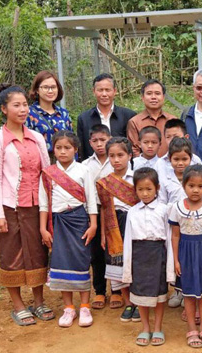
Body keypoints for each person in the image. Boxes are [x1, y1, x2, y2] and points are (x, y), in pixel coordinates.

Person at [0, 84, 53, 326]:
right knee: (12, 254)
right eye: (16, 105)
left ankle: (39, 301)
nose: (23, 109)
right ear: (4, 109)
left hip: (37, 206)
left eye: (25, 104)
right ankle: (18, 304)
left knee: (37, 252)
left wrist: (49, 205)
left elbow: (46, 172)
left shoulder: (37, 138)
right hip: (10, 207)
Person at [38, 131, 98, 328]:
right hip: (58, 222)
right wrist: (43, 229)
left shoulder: (83, 171)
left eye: (67, 148)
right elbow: (43, 203)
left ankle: (85, 306)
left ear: (76, 150)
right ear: (53, 149)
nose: (62, 152)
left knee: (81, 261)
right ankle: (68, 308)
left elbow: (91, 199)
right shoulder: (48, 173)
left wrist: (94, 224)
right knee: (61, 262)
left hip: (79, 220)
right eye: (58, 148)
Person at [169, 165, 202, 349]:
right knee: (189, 294)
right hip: (186, 254)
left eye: (200, 186)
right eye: (191, 185)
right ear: (184, 185)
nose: (195, 190)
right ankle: (192, 328)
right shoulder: (176, 208)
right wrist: (176, 260)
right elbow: (175, 235)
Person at [121, 168, 171, 346]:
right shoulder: (132, 212)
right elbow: (127, 240)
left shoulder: (164, 210)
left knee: (158, 296)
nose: (145, 193)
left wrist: (170, 266)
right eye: (140, 189)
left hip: (158, 255)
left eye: (149, 189)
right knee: (141, 295)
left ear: (157, 188)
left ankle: (157, 327)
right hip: (138, 256)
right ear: (135, 190)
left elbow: (169, 240)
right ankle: (145, 328)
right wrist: (128, 267)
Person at [96, 137, 140, 322]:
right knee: (117, 262)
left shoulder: (138, 178)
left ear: (129, 155)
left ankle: (139, 302)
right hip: (114, 225)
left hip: (135, 224)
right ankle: (128, 302)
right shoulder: (105, 182)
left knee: (136, 263)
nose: (116, 160)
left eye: (120, 155)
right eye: (112, 156)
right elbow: (104, 209)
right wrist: (104, 233)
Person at [81, 124, 115, 310]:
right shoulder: (86, 166)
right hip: (94, 212)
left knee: (115, 251)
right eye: (95, 141)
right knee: (97, 254)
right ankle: (100, 291)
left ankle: (117, 291)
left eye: (104, 140)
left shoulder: (118, 160)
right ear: (90, 143)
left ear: (110, 139)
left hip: (115, 213)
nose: (100, 144)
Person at [77, 74, 137, 160]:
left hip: (122, 167)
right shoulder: (84, 118)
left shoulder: (128, 116)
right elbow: (81, 149)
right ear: (94, 91)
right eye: (100, 90)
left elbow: (134, 146)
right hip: (93, 168)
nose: (104, 94)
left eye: (107, 90)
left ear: (114, 91)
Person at [26, 71, 73, 159]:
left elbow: (72, 141)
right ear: (37, 90)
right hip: (39, 163)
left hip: (63, 163)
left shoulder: (64, 113)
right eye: (45, 87)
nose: (50, 91)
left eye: (53, 87)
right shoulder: (29, 113)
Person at [127, 79, 176, 158]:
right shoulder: (134, 122)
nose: (153, 97)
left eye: (157, 93)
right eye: (149, 93)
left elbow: (179, 146)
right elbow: (134, 150)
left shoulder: (173, 120)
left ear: (163, 97)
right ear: (142, 97)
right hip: (144, 168)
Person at [158, 137, 194, 205]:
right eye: (176, 159)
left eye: (184, 159)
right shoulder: (165, 178)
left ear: (190, 158)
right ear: (169, 158)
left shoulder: (195, 177)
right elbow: (162, 201)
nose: (180, 163)